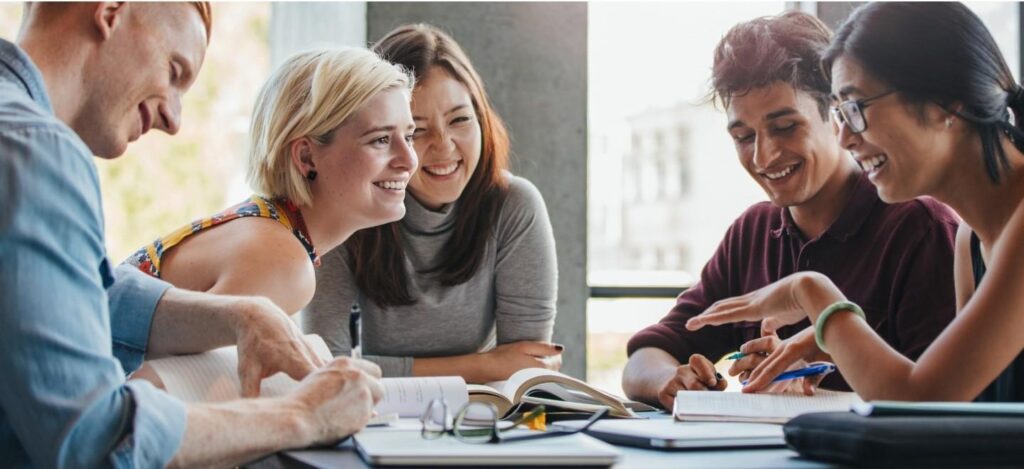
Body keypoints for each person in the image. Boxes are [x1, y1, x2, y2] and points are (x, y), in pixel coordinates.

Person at [0, 4, 383, 467]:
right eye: (174, 70)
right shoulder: (37, 152)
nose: (174, 119)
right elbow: (93, 440)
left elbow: (69, 295)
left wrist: (242, 315)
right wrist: (302, 414)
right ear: (110, 12)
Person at [622, 10, 960, 410]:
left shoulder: (920, 228)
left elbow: (939, 403)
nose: (763, 156)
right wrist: (669, 380)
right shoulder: (753, 232)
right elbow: (647, 355)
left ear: (837, 115)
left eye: (785, 127)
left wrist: (820, 369)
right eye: (744, 137)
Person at [687, 2, 1024, 402]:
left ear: (946, 103)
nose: (844, 137)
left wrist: (812, 294)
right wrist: (835, 342)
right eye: (840, 112)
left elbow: (920, 401)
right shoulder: (971, 241)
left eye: (857, 108)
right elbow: (961, 418)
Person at [305, 24, 562, 383]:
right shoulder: (347, 207)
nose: (444, 146)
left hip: (484, 416)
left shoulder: (514, 205)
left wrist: (496, 368)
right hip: (375, 418)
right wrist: (483, 364)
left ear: (482, 119)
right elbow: (326, 366)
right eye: (417, 131)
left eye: (459, 120)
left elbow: (525, 367)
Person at [124, 47, 417, 318]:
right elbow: (156, 373)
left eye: (409, 137)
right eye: (380, 140)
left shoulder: (271, 229)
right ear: (306, 156)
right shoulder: (283, 264)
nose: (410, 160)